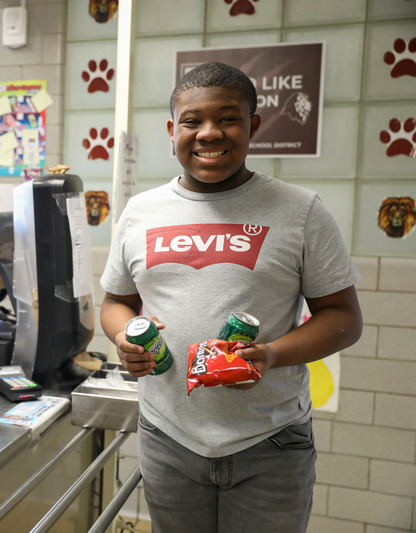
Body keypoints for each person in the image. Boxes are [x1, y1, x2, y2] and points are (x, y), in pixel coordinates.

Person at [99, 62, 363, 533]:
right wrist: (125, 337)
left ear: (253, 126)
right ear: (171, 129)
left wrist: (271, 355)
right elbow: (116, 302)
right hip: (168, 437)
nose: (209, 133)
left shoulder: (301, 211)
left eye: (227, 119)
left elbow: (343, 317)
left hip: (270, 442)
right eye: (192, 121)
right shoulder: (140, 212)